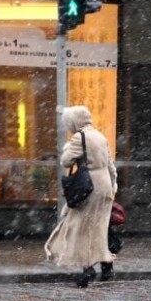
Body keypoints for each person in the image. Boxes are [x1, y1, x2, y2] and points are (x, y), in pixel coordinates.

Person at [45, 106, 117, 287]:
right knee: (100, 226)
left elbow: (66, 160)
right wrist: (113, 185)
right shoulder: (100, 136)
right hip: (104, 184)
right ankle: (107, 265)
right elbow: (110, 163)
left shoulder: (80, 137)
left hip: (89, 186)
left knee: (82, 228)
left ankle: (87, 269)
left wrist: (68, 148)